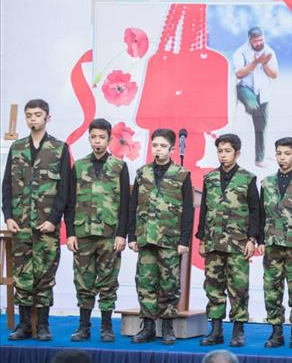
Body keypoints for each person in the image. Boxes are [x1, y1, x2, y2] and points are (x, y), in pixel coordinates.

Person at [2, 99, 71, 341]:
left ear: (47, 118)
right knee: (22, 275)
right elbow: (7, 186)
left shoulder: (59, 148)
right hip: (20, 224)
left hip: (46, 225)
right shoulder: (17, 148)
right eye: (29, 115)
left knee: (44, 275)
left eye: (38, 114)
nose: (33, 119)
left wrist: (53, 219)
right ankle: (24, 325)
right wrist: (8, 216)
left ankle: (42, 325)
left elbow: (64, 190)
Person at [65, 118, 130, 342]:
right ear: (89, 138)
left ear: (109, 139)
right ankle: (83, 327)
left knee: (108, 282)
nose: (97, 141)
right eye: (93, 137)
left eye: (102, 137)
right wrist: (70, 233)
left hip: (109, 234)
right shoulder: (79, 166)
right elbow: (70, 202)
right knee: (83, 281)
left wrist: (122, 234)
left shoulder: (119, 166)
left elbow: (125, 204)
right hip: (83, 233)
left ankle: (106, 327)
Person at [128, 128, 193, 345]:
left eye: (163, 146)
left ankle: (167, 326)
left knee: (169, 283)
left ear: (172, 149)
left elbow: (188, 211)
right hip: (146, 236)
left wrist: (184, 240)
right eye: (155, 145)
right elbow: (133, 205)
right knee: (145, 280)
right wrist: (132, 236)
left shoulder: (181, 174)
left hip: (170, 239)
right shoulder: (142, 172)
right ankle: (147, 326)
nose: (158, 149)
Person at [197, 133, 259, 347]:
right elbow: (204, 209)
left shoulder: (247, 178)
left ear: (237, 153)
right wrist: (202, 238)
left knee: (238, 287)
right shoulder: (210, 178)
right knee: (213, 286)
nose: (223, 155)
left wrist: (252, 238)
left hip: (238, 243)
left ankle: (238, 331)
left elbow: (255, 211)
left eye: (227, 151)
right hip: (213, 242)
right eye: (220, 151)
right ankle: (216, 330)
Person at [258, 137, 292, 348]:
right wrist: (260, 239)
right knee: (271, 287)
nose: (282, 158)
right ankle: (276, 332)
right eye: (279, 153)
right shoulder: (266, 183)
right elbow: (261, 214)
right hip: (272, 243)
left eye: (287, 154)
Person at [233, 26, 279, 168]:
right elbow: (239, 74)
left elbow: (274, 75)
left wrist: (264, 64)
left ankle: (260, 159)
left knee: (261, 127)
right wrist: (255, 62)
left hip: (262, 92)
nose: (259, 43)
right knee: (253, 107)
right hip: (245, 88)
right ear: (250, 40)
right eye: (256, 41)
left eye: (261, 40)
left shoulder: (269, 52)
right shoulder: (241, 52)